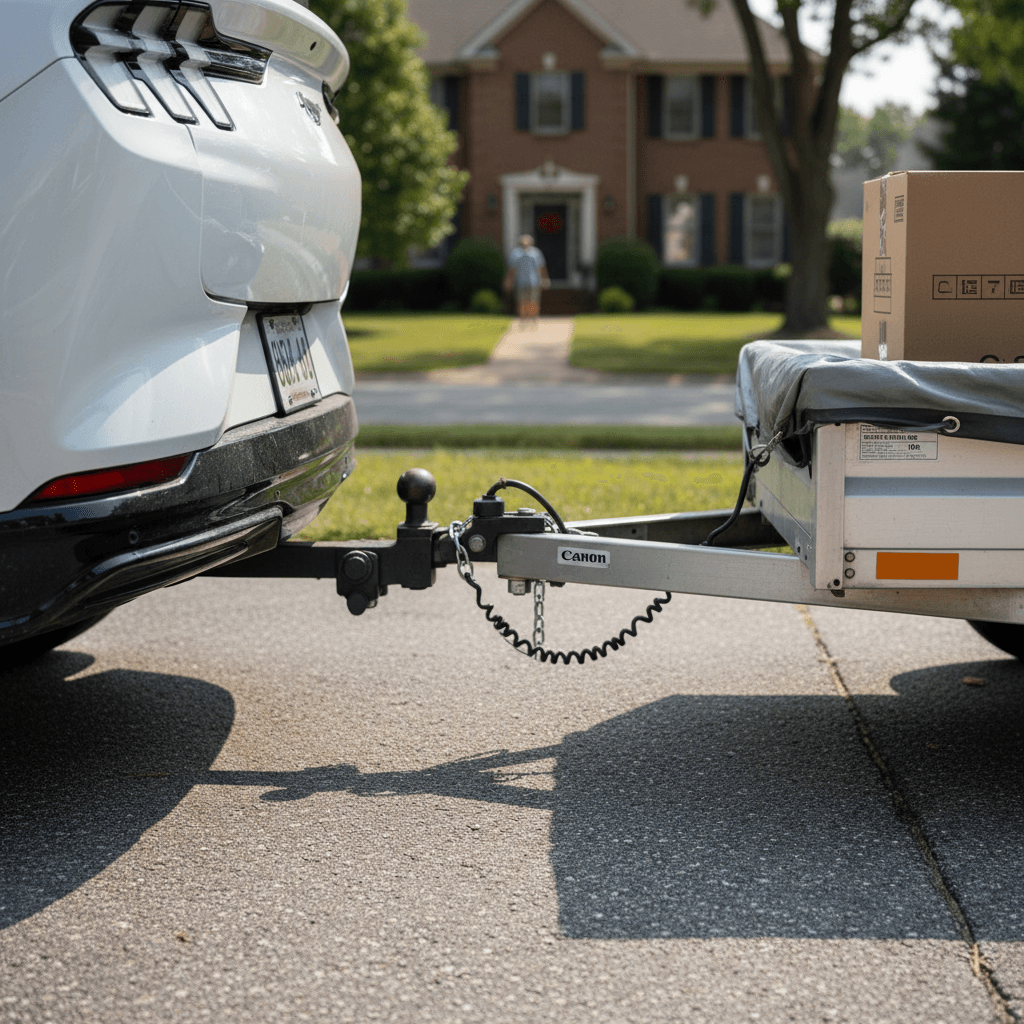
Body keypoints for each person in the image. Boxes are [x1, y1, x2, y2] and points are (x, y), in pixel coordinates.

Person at [503, 234, 550, 322]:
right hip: (520, 282)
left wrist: (545, 279)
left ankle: (533, 318)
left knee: (534, 300)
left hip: (534, 281)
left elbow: (541, 268)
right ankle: (523, 318)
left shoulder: (536, 253)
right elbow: (512, 269)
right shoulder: (515, 253)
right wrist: (508, 281)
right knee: (521, 300)